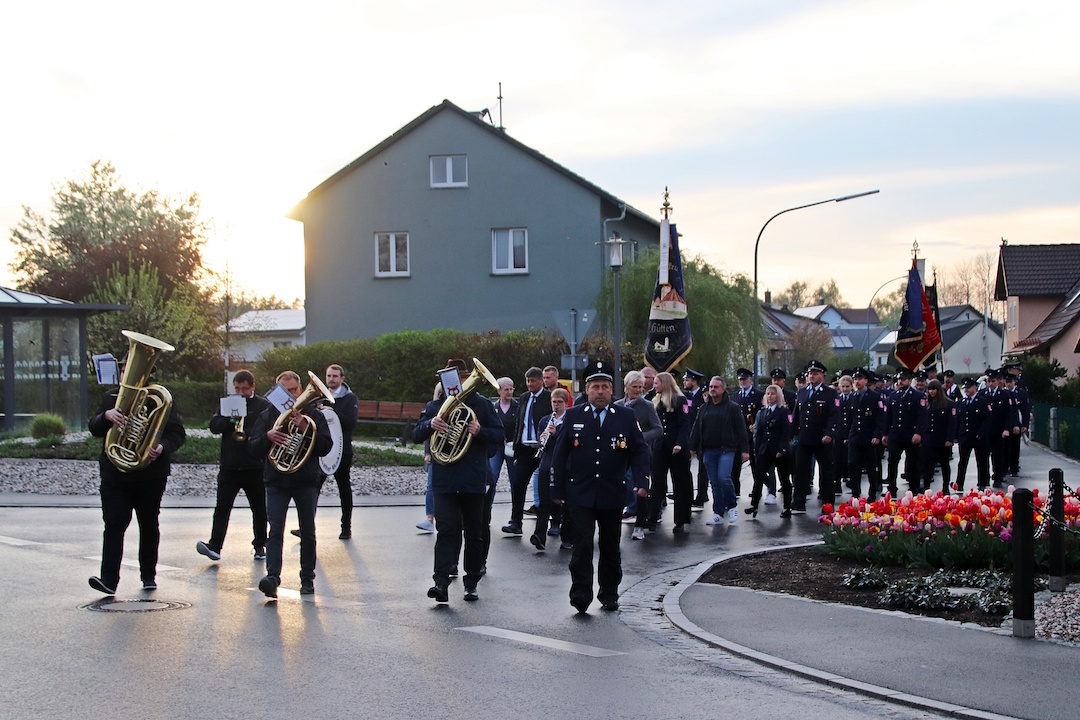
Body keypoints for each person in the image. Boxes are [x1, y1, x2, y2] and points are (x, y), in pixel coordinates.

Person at [551, 360, 649, 614]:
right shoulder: (574, 415)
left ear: (612, 389)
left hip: (612, 492)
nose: (601, 391)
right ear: (587, 389)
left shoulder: (625, 416)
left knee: (610, 546)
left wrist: (640, 481)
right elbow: (560, 456)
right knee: (582, 546)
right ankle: (581, 593)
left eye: (605, 387)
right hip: (580, 493)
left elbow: (639, 450)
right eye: (596, 387)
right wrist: (558, 490)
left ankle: (609, 593)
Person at [88, 365, 186, 595]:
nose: (128, 376)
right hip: (115, 474)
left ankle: (148, 576)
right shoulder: (111, 398)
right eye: (125, 372)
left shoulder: (158, 399)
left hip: (150, 475)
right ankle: (109, 580)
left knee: (149, 525)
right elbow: (93, 427)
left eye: (133, 370)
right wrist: (106, 416)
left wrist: (161, 447)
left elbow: (178, 434)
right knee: (113, 525)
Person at [413, 359, 503, 603]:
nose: (457, 382)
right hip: (445, 479)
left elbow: (499, 436)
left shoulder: (482, 405)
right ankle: (440, 582)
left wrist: (479, 431)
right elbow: (414, 433)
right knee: (446, 531)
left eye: (463, 377)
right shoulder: (436, 405)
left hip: (474, 479)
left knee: (474, 533)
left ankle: (471, 582)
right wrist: (430, 425)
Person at [250, 370, 333, 598]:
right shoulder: (268, 415)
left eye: (294, 390)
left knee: (308, 531)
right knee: (275, 530)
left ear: (300, 389)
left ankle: (307, 579)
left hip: (306, 480)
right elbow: (253, 447)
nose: (290, 394)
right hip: (276, 480)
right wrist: (267, 437)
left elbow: (326, 446)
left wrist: (306, 430)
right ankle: (273, 577)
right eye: (284, 391)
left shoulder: (314, 416)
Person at [197, 370, 271, 563]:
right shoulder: (229, 403)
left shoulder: (263, 405)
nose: (241, 392)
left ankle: (260, 544)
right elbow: (214, 426)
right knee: (222, 506)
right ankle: (215, 545)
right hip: (230, 465)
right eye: (237, 388)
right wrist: (231, 420)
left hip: (254, 465)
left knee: (259, 508)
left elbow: (268, 429)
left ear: (253, 387)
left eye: (245, 388)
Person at [689, 376, 749, 525]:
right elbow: (696, 428)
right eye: (711, 387)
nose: (712, 390)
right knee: (714, 482)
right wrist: (691, 447)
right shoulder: (704, 408)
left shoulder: (732, 407)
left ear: (723, 389)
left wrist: (745, 450)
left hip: (726, 449)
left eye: (716, 387)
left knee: (724, 477)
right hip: (708, 450)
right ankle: (718, 512)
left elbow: (741, 430)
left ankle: (732, 505)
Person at [643, 372, 693, 535]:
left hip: (676, 447)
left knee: (680, 482)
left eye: (657, 383)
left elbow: (685, 424)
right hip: (660, 447)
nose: (654, 385)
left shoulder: (680, 400)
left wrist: (680, 443)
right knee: (657, 482)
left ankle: (680, 520)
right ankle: (651, 518)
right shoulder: (654, 401)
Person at [502, 367, 551, 535]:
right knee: (518, 484)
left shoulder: (548, 398)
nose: (530, 384)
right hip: (524, 448)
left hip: (541, 448)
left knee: (546, 487)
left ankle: (552, 523)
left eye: (533, 381)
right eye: (528, 381)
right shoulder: (523, 398)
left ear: (541, 381)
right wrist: (516, 446)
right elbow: (520, 423)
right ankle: (516, 522)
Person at [791, 360, 840, 513]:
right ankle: (799, 501)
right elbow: (797, 413)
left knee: (826, 471)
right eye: (810, 373)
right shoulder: (803, 391)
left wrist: (829, 433)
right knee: (800, 470)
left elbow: (834, 415)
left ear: (822, 375)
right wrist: (793, 433)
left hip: (822, 438)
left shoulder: (830, 393)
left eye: (815, 373)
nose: (811, 376)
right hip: (805, 437)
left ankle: (828, 502)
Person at [616, 370, 662, 528]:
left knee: (637, 482)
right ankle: (633, 507)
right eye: (634, 386)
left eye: (640, 387)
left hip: (640, 452)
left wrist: (640, 438)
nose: (638, 390)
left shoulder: (647, 406)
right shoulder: (617, 406)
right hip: (621, 452)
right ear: (626, 387)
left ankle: (640, 511)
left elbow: (658, 429)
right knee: (623, 481)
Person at [529, 387, 570, 550]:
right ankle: (539, 536)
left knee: (566, 503)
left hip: (564, 466)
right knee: (544, 502)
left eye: (560, 402)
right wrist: (542, 439)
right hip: (546, 464)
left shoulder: (570, 420)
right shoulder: (545, 420)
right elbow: (542, 445)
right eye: (554, 402)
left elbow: (569, 443)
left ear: (566, 403)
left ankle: (567, 537)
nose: (556, 405)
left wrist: (556, 434)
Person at [320, 364, 359, 539]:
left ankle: (346, 527)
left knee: (343, 488)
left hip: (343, 449)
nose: (331, 379)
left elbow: (350, 422)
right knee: (313, 488)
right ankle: (305, 526)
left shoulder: (350, 398)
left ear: (342, 378)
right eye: (329, 376)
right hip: (322, 448)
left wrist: (331, 411)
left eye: (335, 376)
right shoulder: (320, 396)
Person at [746, 384, 791, 518]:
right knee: (758, 476)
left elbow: (786, 432)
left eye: (773, 394)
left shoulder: (783, 411)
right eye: (768, 394)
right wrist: (758, 449)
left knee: (784, 479)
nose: (770, 396)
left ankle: (787, 507)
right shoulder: (763, 412)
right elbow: (759, 432)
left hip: (778, 450)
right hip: (765, 449)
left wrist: (782, 449)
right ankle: (754, 504)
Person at [883, 367, 926, 497]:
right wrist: (885, 433)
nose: (901, 382)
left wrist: (919, 432)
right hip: (896, 434)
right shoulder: (893, 396)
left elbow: (922, 416)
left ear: (910, 380)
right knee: (892, 461)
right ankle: (891, 487)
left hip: (911, 434)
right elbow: (889, 416)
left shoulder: (918, 396)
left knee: (913, 462)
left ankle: (914, 487)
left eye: (904, 379)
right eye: (899, 379)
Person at [846, 368, 886, 499]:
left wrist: (877, 435)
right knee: (853, 465)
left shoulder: (874, 396)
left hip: (869, 437)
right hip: (855, 437)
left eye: (860, 379)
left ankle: (873, 492)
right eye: (855, 379)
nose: (857, 382)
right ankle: (855, 493)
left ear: (866, 381)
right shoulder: (852, 397)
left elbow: (880, 418)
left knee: (870, 467)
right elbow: (849, 418)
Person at [920, 379, 959, 494]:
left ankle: (945, 485)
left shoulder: (948, 404)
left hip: (942, 438)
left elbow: (952, 423)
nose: (932, 392)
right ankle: (926, 485)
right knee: (928, 464)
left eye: (934, 389)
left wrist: (949, 439)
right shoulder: (927, 404)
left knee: (944, 464)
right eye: (930, 389)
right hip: (929, 439)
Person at [732, 368, 764, 501]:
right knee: (735, 464)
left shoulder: (758, 395)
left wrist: (757, 425)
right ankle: (735, 490)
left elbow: (763, 412)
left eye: (744, 379)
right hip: (739, 434)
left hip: (752, 434)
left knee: (755, 464)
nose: (742, 382)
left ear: (750, 380)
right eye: (740, 379)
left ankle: (758, 490)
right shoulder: (736, 395)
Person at [955, 377, 992, 492]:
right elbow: (958, 420)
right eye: (965, 388)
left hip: (978, 437)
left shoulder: (982, 402)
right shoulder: (961, 402)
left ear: (975, 388)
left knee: (982, 461)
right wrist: (956, 435)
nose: (966, 390)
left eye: (968, 388)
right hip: (965, 436)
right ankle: (959, 483)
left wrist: (981, 432)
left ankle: (983, 482)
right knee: (962, 461)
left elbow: (987, 419)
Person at [682, 368, 709, 507]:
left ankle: (702, 495)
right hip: (688, 435)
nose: (684, 382)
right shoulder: (685, 396)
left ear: (694, 381)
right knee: (686, 467)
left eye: (687, 380)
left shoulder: (702, 396)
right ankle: (688, 495)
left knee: (702, 469)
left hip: (701, 435)